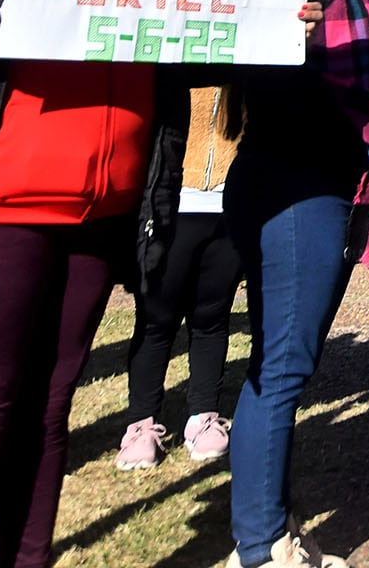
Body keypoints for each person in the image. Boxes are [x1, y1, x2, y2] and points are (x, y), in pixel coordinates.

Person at [0, 0, 293, 568]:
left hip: (108, 206)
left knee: (50, 405)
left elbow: (183, 67)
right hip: (6, 199)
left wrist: (260, 20)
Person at [224, 0, 369, 568]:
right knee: (285, 367)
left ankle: (264, 522)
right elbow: (269, 88)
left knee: (281, 363)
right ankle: (263, 544)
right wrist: (289, 46)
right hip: (292, 186)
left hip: (333, 189)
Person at [116, 87, 244, 470]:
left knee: (212, 315)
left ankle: (203, 416)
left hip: (229, 202)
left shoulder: (250, 53)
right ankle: (140, 424)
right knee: (156, 319)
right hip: (173, 199)